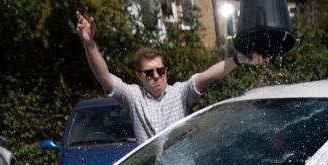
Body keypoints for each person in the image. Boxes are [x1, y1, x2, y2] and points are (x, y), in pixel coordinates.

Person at [75, 11, 264, 144]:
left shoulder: (180, 93)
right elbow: (104, 76)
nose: (157, 76)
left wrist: (237, 59)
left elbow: (207, 76)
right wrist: (89, 44)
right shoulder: (133, 97)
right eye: (149, 73)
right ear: (139, 76)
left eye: (161, 70)